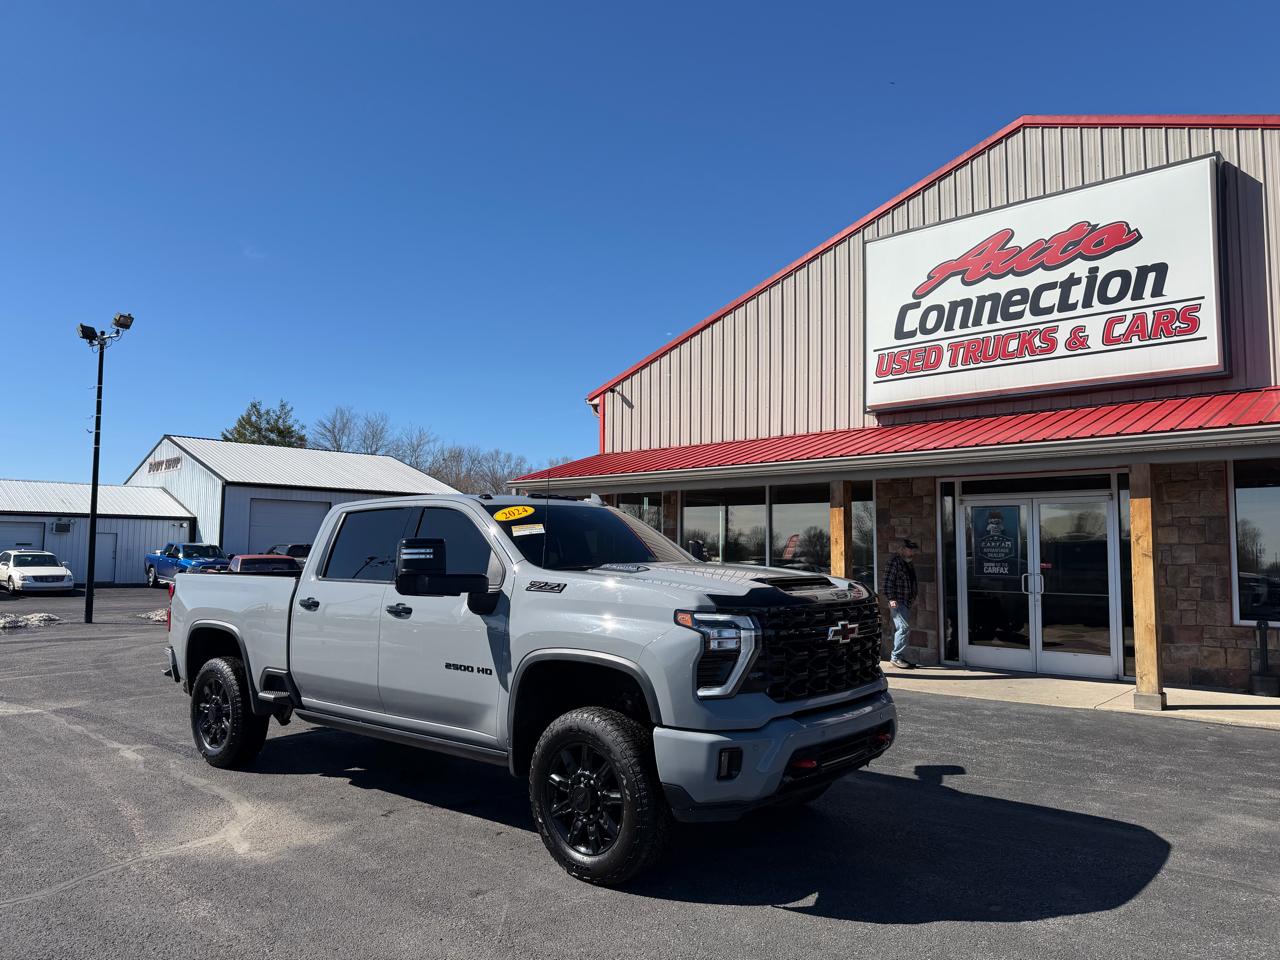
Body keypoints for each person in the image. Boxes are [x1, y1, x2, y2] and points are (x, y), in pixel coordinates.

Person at [882, 538, 919, 669]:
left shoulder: (908, 563)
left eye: (914, 550)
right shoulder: (894, 562)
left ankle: (900, 657)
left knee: (901, 629)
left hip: (906, 601)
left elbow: (911, 581)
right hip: (897, 601)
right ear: (902, 549)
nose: (913, 552)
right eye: (910, 550)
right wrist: (891, 599)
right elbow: (887, 583)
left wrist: (913, 597)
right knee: (903, 628)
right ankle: (896, 657)